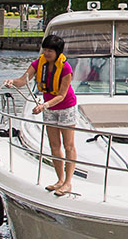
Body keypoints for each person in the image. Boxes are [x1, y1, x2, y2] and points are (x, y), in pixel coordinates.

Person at [5, 35, 78, 196]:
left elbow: (62, 95)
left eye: (50, 51)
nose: (46, 53)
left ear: (58, 52)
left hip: (65, 108)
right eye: (45, 50)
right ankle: (59, 179)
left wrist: (44, 105)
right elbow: (23, 80)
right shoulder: (39, 63)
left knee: (68, 145)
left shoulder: (66, 69)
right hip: (48, 108)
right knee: (54, 145)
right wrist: (12, 82)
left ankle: (68, 183)